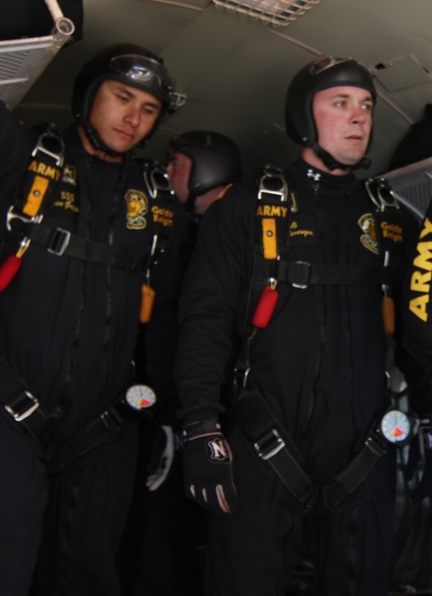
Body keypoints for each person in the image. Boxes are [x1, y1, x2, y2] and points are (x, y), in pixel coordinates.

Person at [0, 0, 185, 595]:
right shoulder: (27, 164)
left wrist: (173, 413)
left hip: (102, 429)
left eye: (148, 109)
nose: (133, 118)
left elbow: (167, 313)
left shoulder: (158, 205)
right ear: (89, 95)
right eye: (122, 97)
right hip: (3, 412)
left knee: (89, 577)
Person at [174, 56, 418, 595]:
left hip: (363, 451)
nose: (359, 118)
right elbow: (204, 321)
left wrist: (429, 403)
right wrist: (200, 425)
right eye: (340, 104)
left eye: (366, 106)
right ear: (304, 119)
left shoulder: (390, 219)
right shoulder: (243, 211)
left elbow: (421, 317)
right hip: (264, 445)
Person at [119, 131, 242, 596]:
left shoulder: (225, 237)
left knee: (171, 534)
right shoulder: (179, 232)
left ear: (208, 168)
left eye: (178, 165)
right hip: (172, 409)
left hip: (201, 412)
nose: (168, 173)